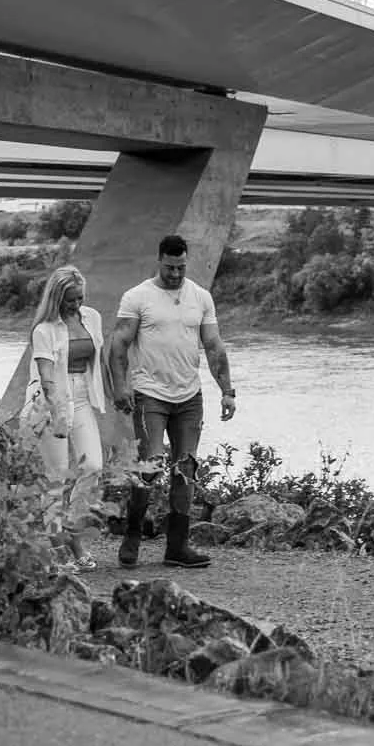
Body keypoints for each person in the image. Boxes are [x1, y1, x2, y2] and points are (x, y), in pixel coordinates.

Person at [109, 233, 235, 569]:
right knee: (150, 465)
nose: (176, 274)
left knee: (187, 467)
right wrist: (120, 387)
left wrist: (227, 390)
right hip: (149, 394)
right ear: (159, 260)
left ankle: (177, 547)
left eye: (180, 267)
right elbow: (118, 345)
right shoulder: (138, 296)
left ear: (185, 262)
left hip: (189, 396)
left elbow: (213, 346)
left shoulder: (201, 297)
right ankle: (132, 537)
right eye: (169, 267)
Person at [23, 264, 109, 569]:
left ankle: (72, 533)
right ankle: (57, 552)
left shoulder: (93, 318)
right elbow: (46, 377)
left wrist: (115, 395)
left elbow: (99, 361)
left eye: (79, 298)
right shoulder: (44, 330)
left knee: (93, 466)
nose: (76, 305)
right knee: (56, 478)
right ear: (57, 298)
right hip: (51, 401)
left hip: (82, 397)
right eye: (70, 300)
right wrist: (57, 413)